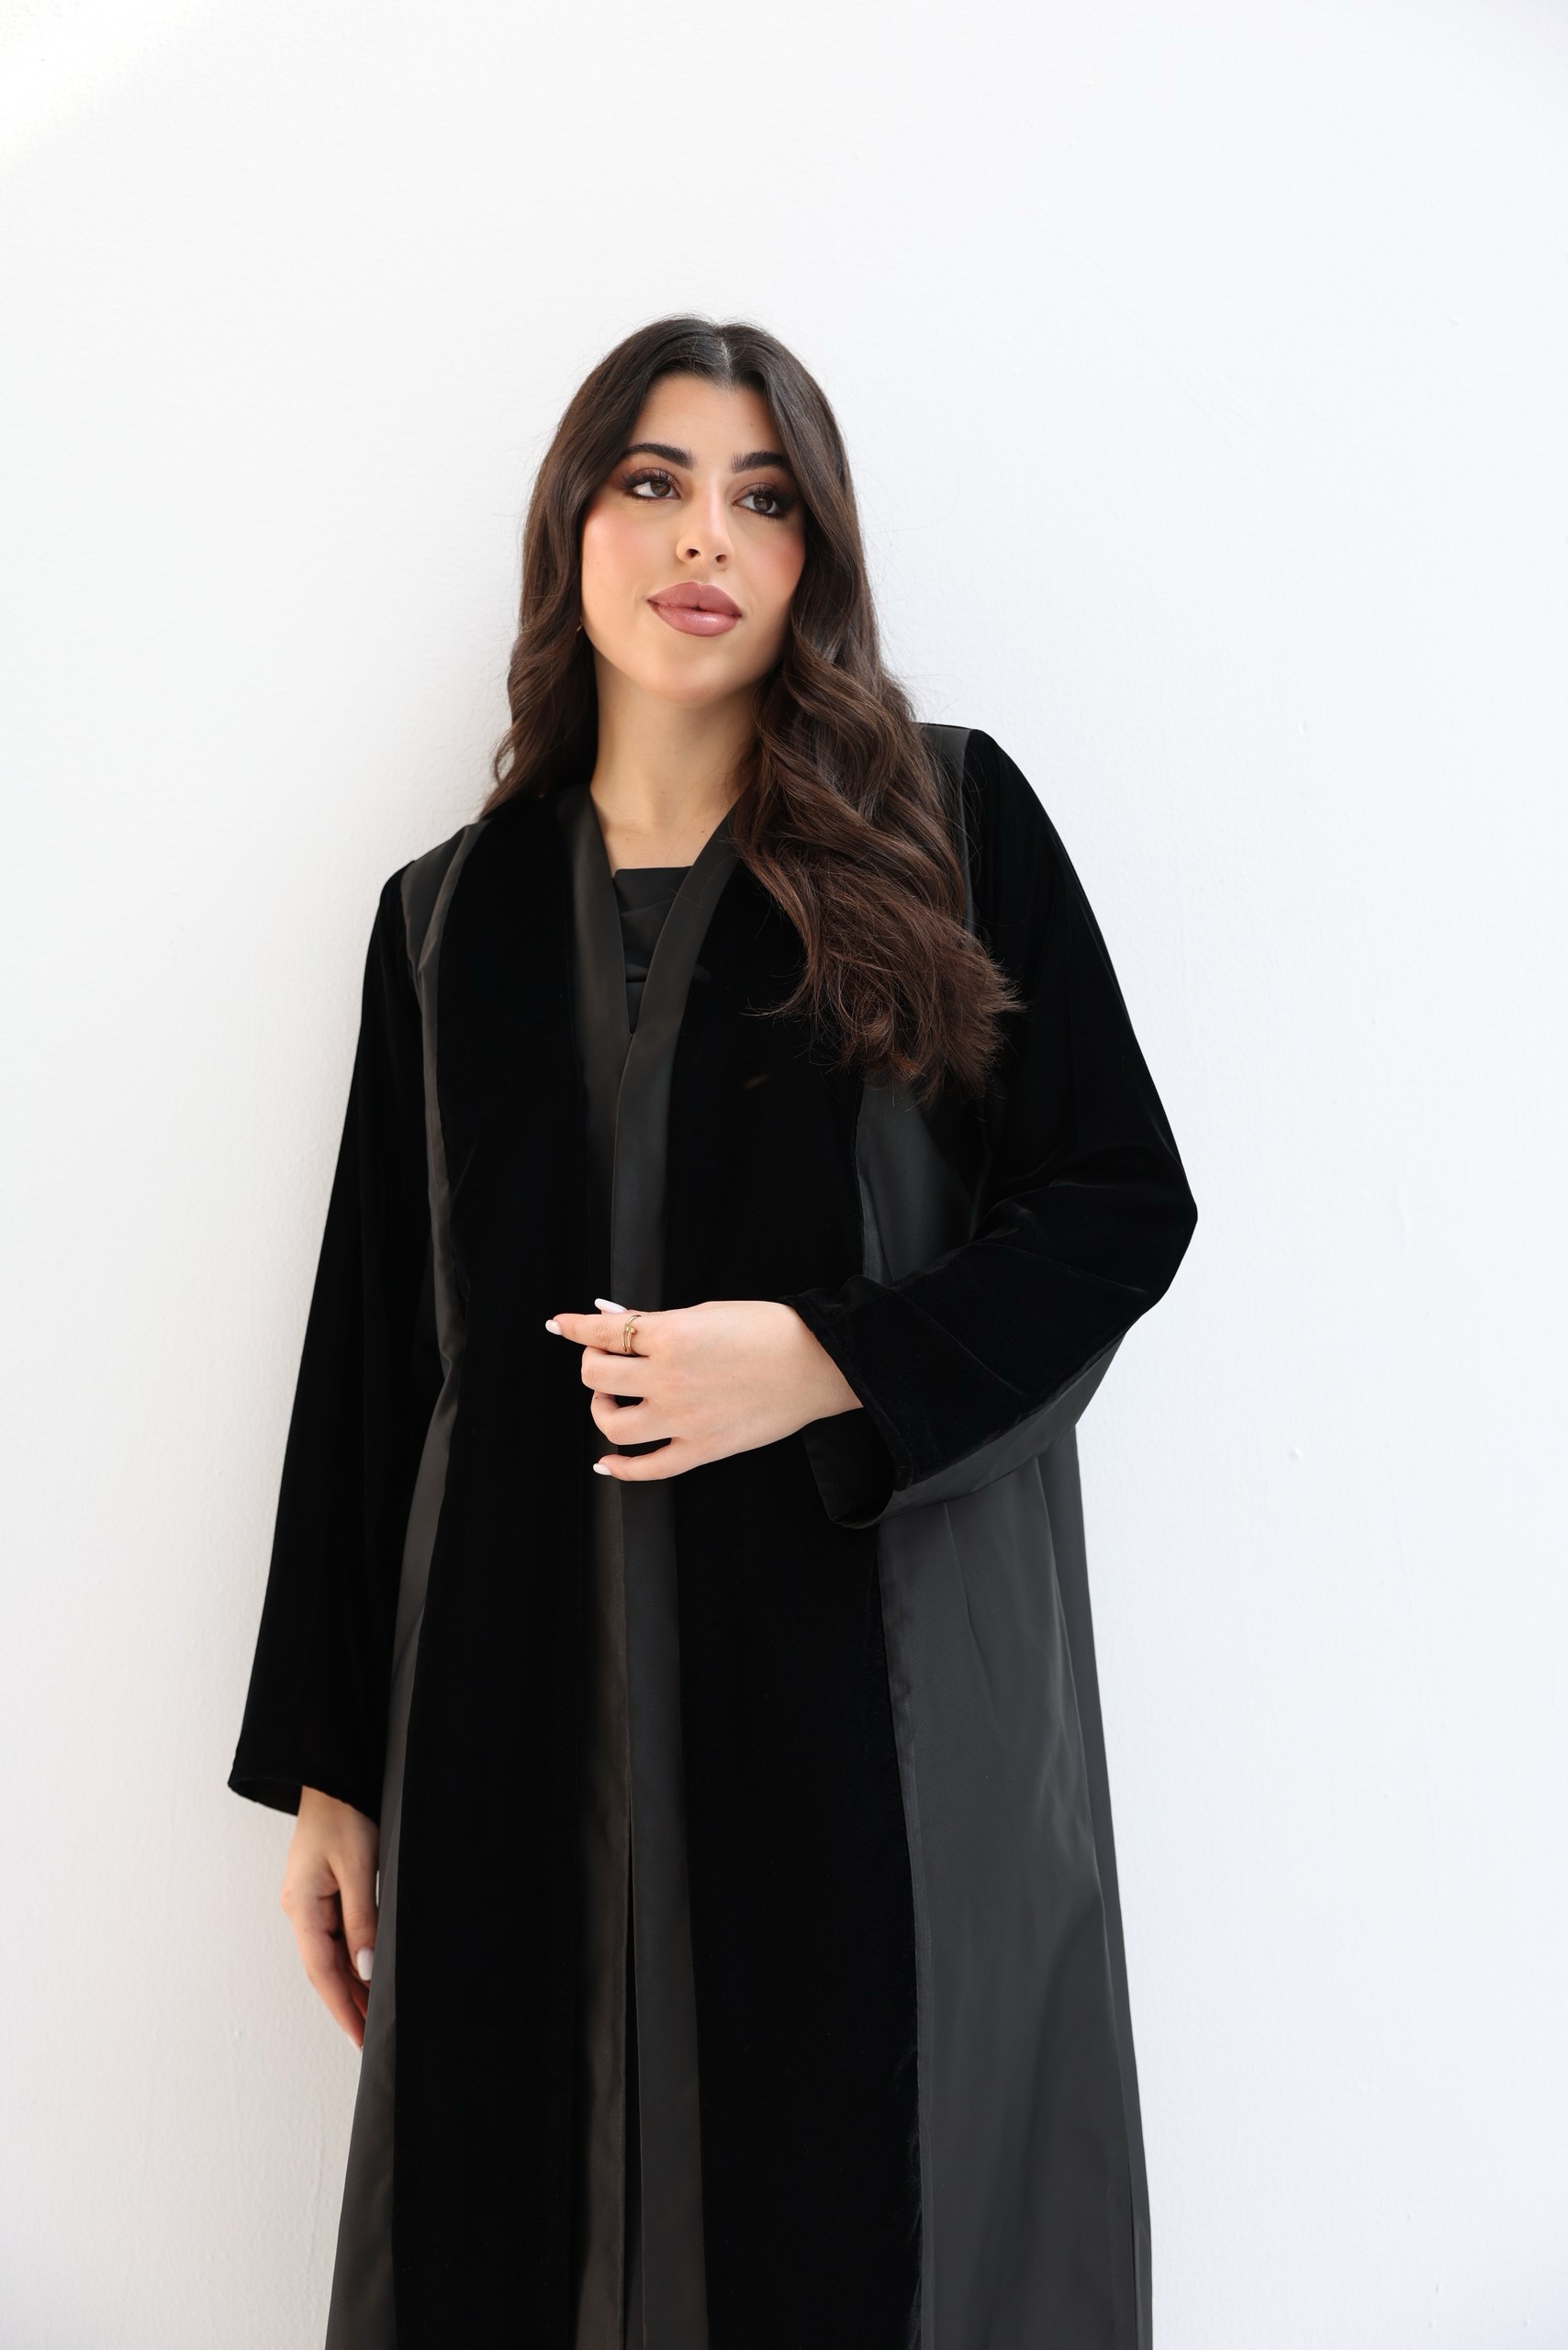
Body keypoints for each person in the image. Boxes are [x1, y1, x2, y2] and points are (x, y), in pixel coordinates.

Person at [228, 314, 1198, 2350]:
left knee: (861, 2210)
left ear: (812, 555)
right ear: (571, 526)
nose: (705, 537)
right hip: (515, 1704)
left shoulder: (944, 828)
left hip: (869, 1696)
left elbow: (1116, 1201)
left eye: (764, 498)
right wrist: (328, 1772)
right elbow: (375, 1354)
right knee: (518, 2216)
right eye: (654, 481)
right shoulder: (448, 918)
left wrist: (832, 1360)